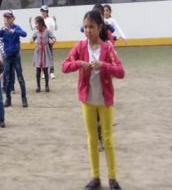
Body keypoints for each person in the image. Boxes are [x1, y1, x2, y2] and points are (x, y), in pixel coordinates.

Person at [62, 10, 125, 190]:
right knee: (92, 139)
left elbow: (120, 72)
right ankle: (95, 177)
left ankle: (112, 178)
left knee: (108, 139)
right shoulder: (80, 47)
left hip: (105, 101)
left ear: (100, 28)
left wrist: (103, 65)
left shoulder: (108, 48)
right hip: (87, 101)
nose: (88, 30)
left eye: (91, 27)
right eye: (85, 27)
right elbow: (64, 66)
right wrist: (80, 64)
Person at [0, 10, 28, 108]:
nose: (7, 19)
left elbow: (24, 34)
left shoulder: (16, 28)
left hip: (16, 56)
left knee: (20, 77)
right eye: (5, 18)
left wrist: (14, 31)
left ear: (13, 18)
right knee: (7, 79)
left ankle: (24, 99)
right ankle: (8, 99)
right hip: (7, 57)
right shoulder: (3, 29)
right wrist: (2, 30)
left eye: (8, 18)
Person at [31, 16, 56, 93]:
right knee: (38, 71)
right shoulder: (36, 32)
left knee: (45, 70)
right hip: (38, 52)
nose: (35, 25)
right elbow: (33, 38)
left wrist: (53, 41)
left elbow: (53, 37)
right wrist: (32, 40)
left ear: (41, 23)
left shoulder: (47, 31)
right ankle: (38, 86)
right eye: (35, 23)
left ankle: (46, 85)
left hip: (45, 51)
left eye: (36, 23)